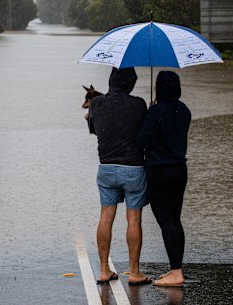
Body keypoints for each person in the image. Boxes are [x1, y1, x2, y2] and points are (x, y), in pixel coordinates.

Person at [87, 67, 152, 286]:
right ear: (130, 83)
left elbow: (95, 130)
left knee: (106, 216)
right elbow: (145, 133)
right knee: (133, 218)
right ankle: (134, 272)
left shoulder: (96, 104)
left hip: (106, 168)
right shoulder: (138, 104)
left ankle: (104, 270)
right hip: (133, 168)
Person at [137, 71, 191, 287]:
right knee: (175, 219)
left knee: (165, 220)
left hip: (159, 171)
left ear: (159, 87)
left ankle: (176, 273)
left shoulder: (156, 112)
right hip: (179, 170)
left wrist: (150, 113)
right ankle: (176, 268)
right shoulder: (184, 110)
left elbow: (141, 141)